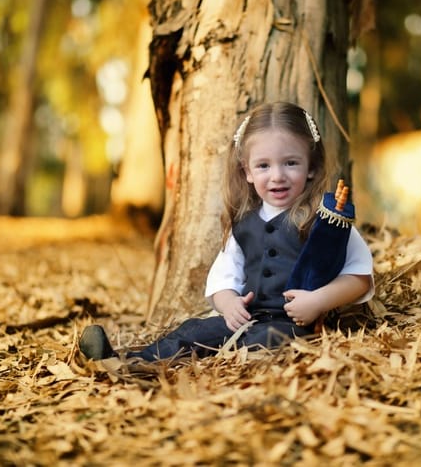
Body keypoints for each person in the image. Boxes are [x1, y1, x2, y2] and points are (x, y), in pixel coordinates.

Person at [79, 101, 374, 362]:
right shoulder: (244, 222)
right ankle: (126, 362)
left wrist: (318, 302)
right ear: (246, 171)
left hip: (293, 325)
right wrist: (229, 303)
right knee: (193, 331)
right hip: (246, 318)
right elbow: (223, 279)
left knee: (264, 344)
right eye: (263, 166)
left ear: (311, 166)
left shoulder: (326, 218)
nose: (277, 176)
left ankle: (226, 367)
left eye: (291, 163)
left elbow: (359, 277)